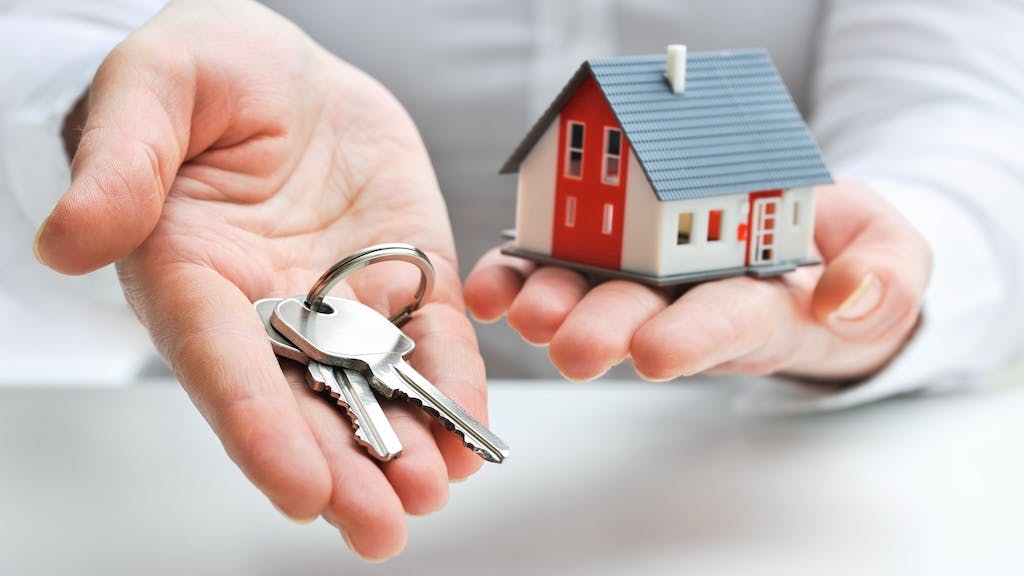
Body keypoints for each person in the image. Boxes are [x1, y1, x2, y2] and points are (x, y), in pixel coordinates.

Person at [2, 0, 1022, 561]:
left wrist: (901, 257)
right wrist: (103, 100)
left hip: (764, 496)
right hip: (192, 474)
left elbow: (966, 112)